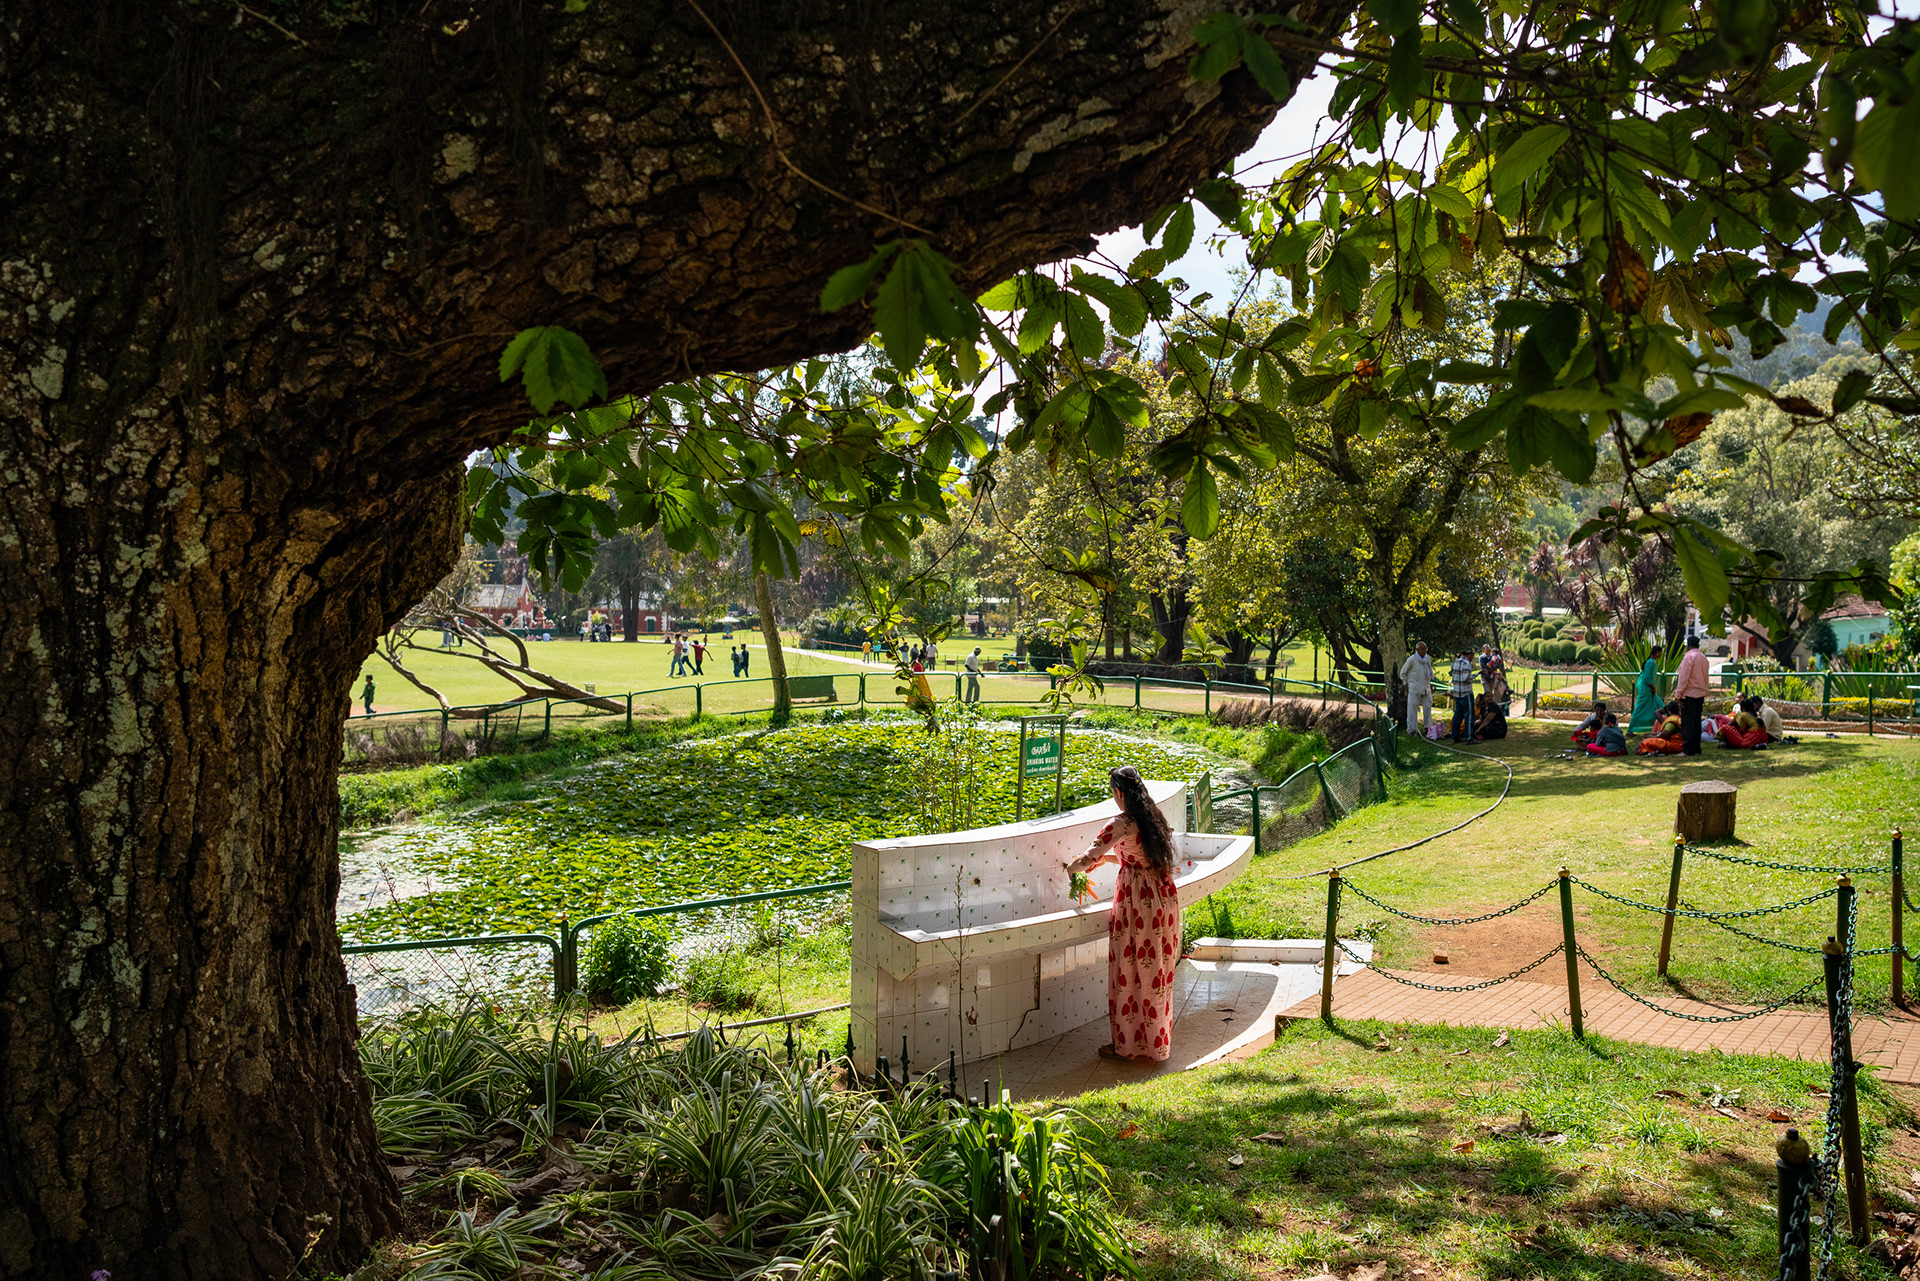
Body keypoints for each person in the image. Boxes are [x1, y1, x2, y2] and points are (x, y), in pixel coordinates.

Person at [1062, 766, 1182, 1063]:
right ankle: (1154, 1044)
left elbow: (1086, 857)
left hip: (1138, 901)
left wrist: (1070, 868)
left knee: (1129, 969)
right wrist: (1112, 858)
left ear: (1118, 792)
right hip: (1162, 895)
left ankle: (1127, 1046)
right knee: (1156, 970)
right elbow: (1139, 853)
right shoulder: (1151, 816)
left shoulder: (1120, 822)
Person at [1675, 635, 1710, 755]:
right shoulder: (1703, 658)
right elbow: (1706, 677)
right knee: (1696, 722)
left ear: (1688, 645)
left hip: (1689, 694)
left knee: (1688, 723)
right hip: (1700, 694)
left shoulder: (1688, 657)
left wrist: (1678, 694)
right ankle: (1696, 748)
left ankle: (1688, 749)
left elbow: (1683, 678)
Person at [1398, 641, 1435, 738]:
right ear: (1417, 650)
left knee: (1427, 706)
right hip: (1414, 687)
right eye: (1422, 649)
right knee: (1412, 708)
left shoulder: (1428, 659)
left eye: (1425, 649)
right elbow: (1403, 673)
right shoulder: (1412, 659)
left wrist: (1430, 685)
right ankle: (1412, 730)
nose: (1424, 651)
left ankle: (1428, 728)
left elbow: (1428, 674)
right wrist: (1405, 684)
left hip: (1426, 687)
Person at [1629, 644, 1664, 733]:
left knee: (1655, 707)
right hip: (1646, 690)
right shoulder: (1650, 662)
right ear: (1657, 653)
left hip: (1649, 690)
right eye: (1660, 653)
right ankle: (1630, 730)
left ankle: (1654, 728)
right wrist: (1652, 688)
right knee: (1639, 709)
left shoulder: (1652, 662)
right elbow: (1646, 678)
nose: (1661, 655)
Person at [1449, 647, 1477, 742]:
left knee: (1457, 715)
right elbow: (1466, 678)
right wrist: (1473, 676)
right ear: (1470, 655)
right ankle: (1469, 738)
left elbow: (1452, 675)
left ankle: (1454, 736)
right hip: (1466, 693)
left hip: (1457, 692)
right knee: (1469, 716)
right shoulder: (1467, 664)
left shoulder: (1455, 662)